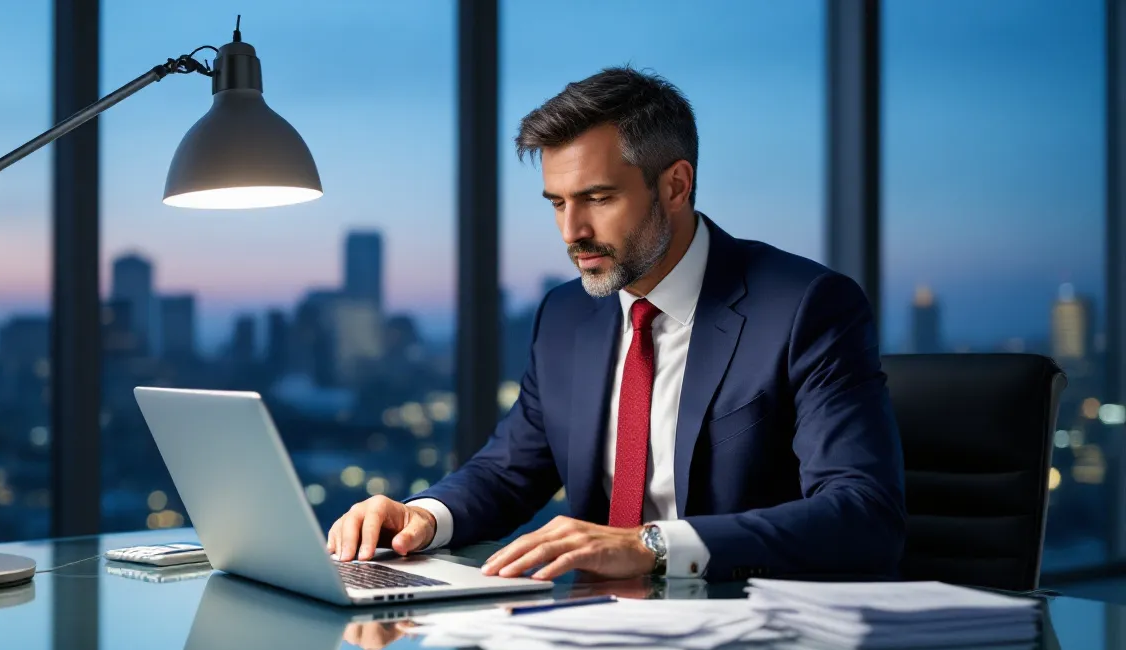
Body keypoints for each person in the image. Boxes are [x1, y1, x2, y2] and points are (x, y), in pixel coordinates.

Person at [327, 66, 906, 582]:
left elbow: (863, 514)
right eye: (556, 202)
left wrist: (651, 546)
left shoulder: (805, 306)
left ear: (675, 185)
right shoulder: (565, 315)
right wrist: (422, 516)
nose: (570, 232)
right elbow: (508, 471)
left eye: (598, 198)